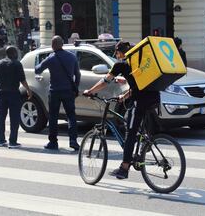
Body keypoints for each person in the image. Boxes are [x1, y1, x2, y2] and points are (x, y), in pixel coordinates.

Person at [83, 40, 160, 180]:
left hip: (141, 101)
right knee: (129, 122)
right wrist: (124, 96)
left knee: (130, 133)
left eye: (116, 53)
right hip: (155, 97)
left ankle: (124, 168)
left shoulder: (121, 64)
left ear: (120, 52)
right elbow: (138, 85)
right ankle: (143, 143)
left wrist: (90, 91)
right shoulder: (138, 63)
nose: (116, 56)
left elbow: (106, 81)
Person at [35, 36, 81, 151]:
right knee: (71, 116)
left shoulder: (51, 58)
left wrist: (43, 60)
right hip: (68, 91)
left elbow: (37, 70)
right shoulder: (72, 57)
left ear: (53, 45)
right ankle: (73, 140)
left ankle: (53, 142)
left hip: (55, 91)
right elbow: (78, 74)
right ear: (62, 44)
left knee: (53, 117)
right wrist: (75, 87)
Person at [0, 46, 32, 148]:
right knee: (14, 118)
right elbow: (22, 80)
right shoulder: (17, 64)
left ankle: (0, 140)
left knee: (1, 117)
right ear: (14, 53)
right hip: (13, 93)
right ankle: (12, 141)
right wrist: (28, 90)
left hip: (1, 93)